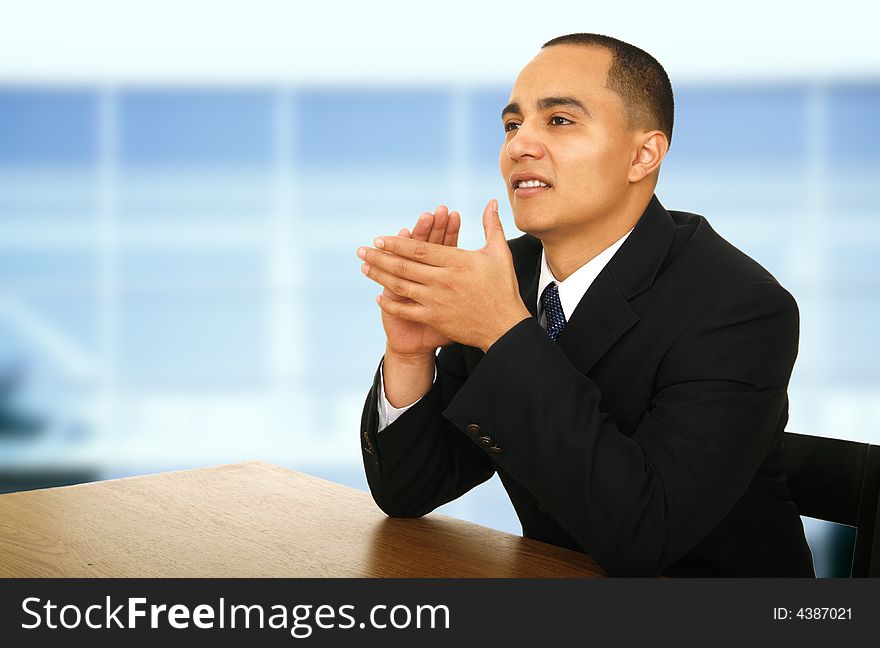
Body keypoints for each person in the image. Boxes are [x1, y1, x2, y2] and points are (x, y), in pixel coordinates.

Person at [355, 33, 815, 577]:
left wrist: (504, 331)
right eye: (512, 124)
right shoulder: (510, 277)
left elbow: (646, 535)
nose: (520, 144)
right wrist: (409, 355)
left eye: (559, 121)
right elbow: (409, 490)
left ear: (643, 154)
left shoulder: (741, 308)